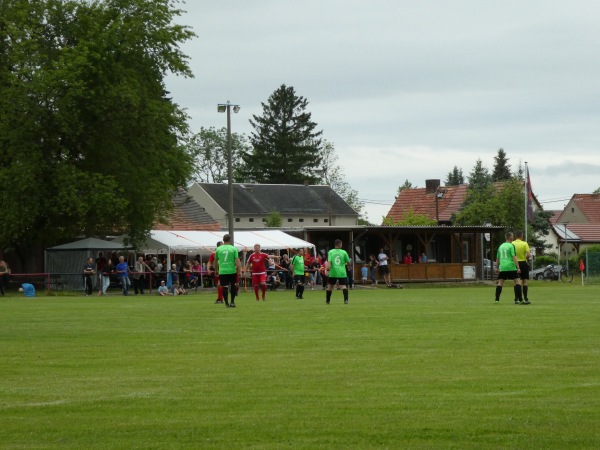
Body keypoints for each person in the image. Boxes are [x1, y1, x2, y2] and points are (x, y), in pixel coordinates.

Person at [494, 231, 525, 304]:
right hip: (510, 266)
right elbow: (514, 257)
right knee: (518, 282)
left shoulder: (501, 246)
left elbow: (497, 258)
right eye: (513, 236)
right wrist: (518, 267)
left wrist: (497, 267)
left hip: (503, 267)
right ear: (511, 237)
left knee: (500, 283)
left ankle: (497, 300)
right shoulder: (511, 246)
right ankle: (520, 300)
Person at [215, 234, 242, 308]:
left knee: (225, 287)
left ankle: (226, 303)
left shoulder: (218, 249)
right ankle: (232, 302)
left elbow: (216, 260)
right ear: (230, 240)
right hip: (232, 270)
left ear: (223, 240)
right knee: (233, 286)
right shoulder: (233, 249)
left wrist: (216, 270)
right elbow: (237, 261)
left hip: (222, 271)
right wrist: (239, 271)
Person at [325, 239, 351, 304]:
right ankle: (346, 300)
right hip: (342, 272)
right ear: (340, 244)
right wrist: (349, 267)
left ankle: (328, 300)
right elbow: (348, 262)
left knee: (330, 286)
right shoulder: (344, 252)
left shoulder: (331, 252)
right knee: (344, 286)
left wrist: (326, 269)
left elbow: (329, 262)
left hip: (333, 272)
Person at [513, 230, 532, 304]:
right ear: (522, 236)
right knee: (525, 281)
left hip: (515, 263)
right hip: (523, 263)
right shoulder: (524, 243)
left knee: (517, 282)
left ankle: (516, 298)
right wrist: (525, 257)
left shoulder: (512, 243)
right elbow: (529, 254)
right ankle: (526, 298)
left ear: (515, 236)